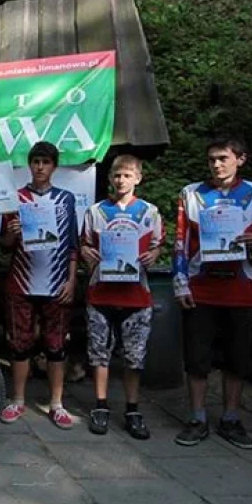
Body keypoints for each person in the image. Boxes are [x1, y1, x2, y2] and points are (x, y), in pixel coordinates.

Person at [172, 136, 252, 449]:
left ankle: (232, 418)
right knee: (197, 359)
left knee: (237, 359)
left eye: (223, 158)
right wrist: (180, 281)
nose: (217, 165)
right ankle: (197, 417)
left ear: (241, 159)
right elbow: (181, 241)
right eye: (211, 160)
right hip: (200, 288)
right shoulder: (191, 193)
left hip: (240, 288)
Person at [79, 154, 163, 439]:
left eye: (127, 175)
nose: (121, 180)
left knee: (134, 357)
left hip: (136, 296)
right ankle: (101, 405)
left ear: (138, 178)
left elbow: (156, 246)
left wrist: (154, 254)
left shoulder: (150, 212)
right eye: (116, 175)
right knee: (98, 353)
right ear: (110, 178)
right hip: (101, 294)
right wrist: (86, 253)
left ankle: (132, 408)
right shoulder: (96, 212)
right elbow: (85, 245)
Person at [0, 141, 79, 429]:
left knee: (56, 346)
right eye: (36, 162)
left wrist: (71, 280)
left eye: (46, 162)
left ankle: (56, 404)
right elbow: (4, 245)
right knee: (19, 345)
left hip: (57, 283)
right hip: (21, 283)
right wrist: (10, 233)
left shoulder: (66, 199)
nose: (40, 167)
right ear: (30, 165)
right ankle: (17, 400)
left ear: (54, 166)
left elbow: (73, 244)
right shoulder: (15, 198)